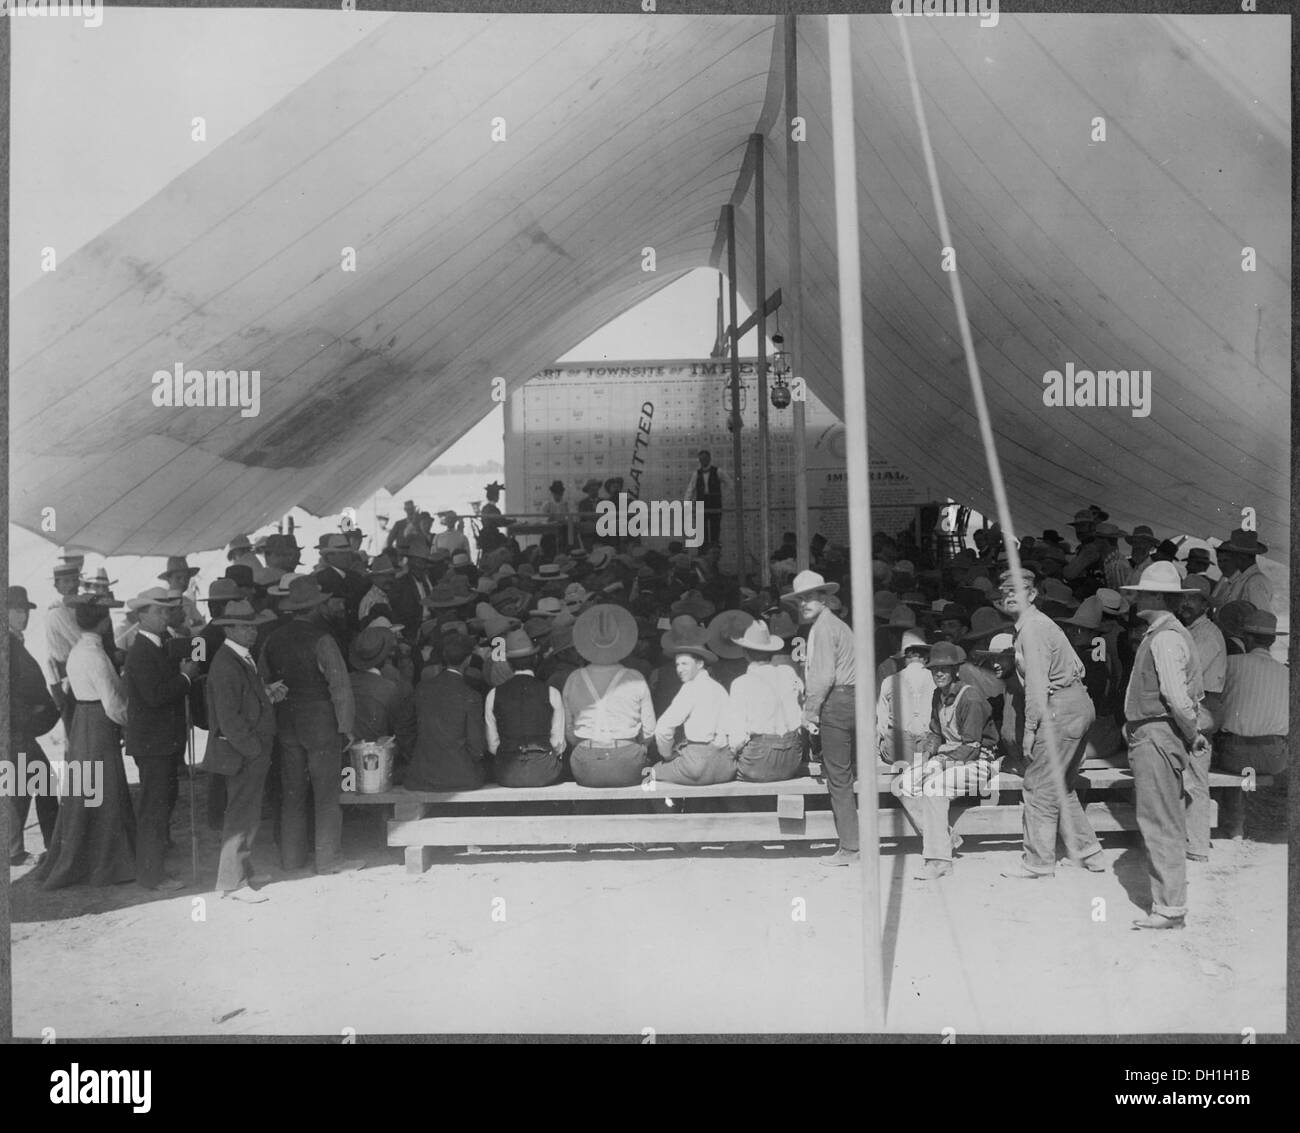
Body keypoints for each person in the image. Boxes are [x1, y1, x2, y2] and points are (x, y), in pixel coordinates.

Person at [996, 568, 1106, 880]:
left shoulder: (1032, 628)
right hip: (1074, 704)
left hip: (1059, 708)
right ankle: (1089, 852)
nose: (1010, 596)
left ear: (1032, 595)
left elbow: (1036, 685)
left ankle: (1038, 862)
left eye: (1017, 590)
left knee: (1038, 785)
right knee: (1060, 785)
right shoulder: (1037, 625)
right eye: (1005, 592)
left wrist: (1030, 730)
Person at [1119, 561, 1205, 929]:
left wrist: (1192, 732)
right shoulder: (1164, 633)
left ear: (1157, 596)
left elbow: (1176, 697)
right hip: (1154, 733)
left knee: (1160, 821)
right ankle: (1169, 904)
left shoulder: (1166, 638)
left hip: (1157, 734)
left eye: (1142, 593)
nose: (1137, 599)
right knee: (1159, 817)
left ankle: (1170, 908)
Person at [259, 576, 363, 875]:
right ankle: (329, 859)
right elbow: (339, 686)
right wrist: (346, 726)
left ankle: (291, 859)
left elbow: (263, 680)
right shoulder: (323, 639)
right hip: (320, 721)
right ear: (316, 607)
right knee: (326, 793)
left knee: (292, 793)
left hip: (286, 720)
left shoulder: (272, 639)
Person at [34, 593, 138, 889]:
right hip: (98, 721)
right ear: (103, 623)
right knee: (104, 788)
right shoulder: (95, 655)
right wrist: (131, 723)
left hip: (83, 719)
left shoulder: (78, 650)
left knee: (86, 789)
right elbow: (113, 703)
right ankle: (107, 861)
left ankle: (89, 856)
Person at [895, 643, 998, 880]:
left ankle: (939, 860)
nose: (939, 673)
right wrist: (928, 753)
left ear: (955, 670)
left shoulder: (970, 697)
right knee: (903, 783)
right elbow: (936, 732)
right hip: (950, 757)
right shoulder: (938, 695)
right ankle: (947, 838)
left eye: (944, 669)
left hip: (979, 762)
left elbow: (972, 747)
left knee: (934, 788)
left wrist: (939, 763)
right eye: (934, 669)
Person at [203, 599, 279, 903]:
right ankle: (232, 883)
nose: (253, 632)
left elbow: (242, 704)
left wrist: (267, 695)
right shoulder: (226, 664)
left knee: (248, 814)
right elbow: (229, 719)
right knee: (239, 816)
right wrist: (253, 749)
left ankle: (244, 871)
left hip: (248, 751)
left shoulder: (240, 658)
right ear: (229, 629)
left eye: (254, 627)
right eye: (246, 627)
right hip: (243, 753)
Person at [123, 588, 199, 892]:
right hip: (153, 744)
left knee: (162, 804)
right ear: (141, 615)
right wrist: (185, 677)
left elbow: (195, 649)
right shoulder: (141, 651)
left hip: (162, 741)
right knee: (153, 809)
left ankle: (154, 866)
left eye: (167, 610)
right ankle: (151, 876)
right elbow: (154, 696)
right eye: (158, 611)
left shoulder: (160, 644)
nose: (165, 616)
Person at [784, 570, 859, 866]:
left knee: (838, 778)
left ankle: (850, 848)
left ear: (825, 598)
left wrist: (809, 712)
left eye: (809, 598)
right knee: (854, 774)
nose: (803, 604)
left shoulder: (823, 628)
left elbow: (823, 676)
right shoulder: (838, 625)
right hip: (854, 699)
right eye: (799, 600)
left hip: (836, 702)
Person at [1213, 610, 1288, 840]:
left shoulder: (1231, 663)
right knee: (1248, 769)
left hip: (1236, 755)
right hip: (1273, 757)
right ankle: (1242, 820)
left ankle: (1234, 822)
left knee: (1226, 751)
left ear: (1247, 638)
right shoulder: (1285, 673)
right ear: (1272, 640)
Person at [563, 605, 656, 787]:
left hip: (586, 764)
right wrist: (638, 745)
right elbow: (649, 731)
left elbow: (569, 731)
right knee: (647, 775)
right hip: (628, 761)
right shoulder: (635, 678)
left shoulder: (574, 678)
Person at [7, 586, 61, 865]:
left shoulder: (15, 641)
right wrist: (29, 716)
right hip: (16, 732)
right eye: (17, 610)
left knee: (25, 786)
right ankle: (47, 847)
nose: (23, 616)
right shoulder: (7, 645)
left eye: (25, 611)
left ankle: (18, 850)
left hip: (19, 731)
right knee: (37, 782)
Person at [1176, 574, 1226, 863]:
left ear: (1206, 605)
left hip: (1202, 708)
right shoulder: (1191, 630)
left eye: (1192, 599)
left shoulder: (1207, 635)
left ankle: (1196, 845)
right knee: (1187, 774)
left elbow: (1187, 674)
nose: (1185, 604)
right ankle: (1187, 839)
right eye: (1182, 598)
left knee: (1195, 777)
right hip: (1193, 706)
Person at [652, 622, 736, 785]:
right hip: (725, 765)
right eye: (677, 664)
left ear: (700, 664)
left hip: (698, 764)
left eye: (685, 664)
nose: (679, 669)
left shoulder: (690, 688)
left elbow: (662, 729)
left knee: (650, 773)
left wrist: (667, 755)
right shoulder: (719, 688)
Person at [405, 633, 489, 790]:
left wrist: (418, 756)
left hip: (422, 776)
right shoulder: (471, 695)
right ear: (468, 659)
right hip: (461, 776)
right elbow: (477, 748)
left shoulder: (422, 688)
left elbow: (406, 729)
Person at [724, 620, 805, 782]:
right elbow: (801, 702)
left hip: (759, 758)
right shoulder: (788, 673)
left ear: (745, 653)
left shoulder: (741, 683)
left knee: (722, 774)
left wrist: (731, 753)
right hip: (792, 758)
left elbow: (737, 738)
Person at [485, 628, 566, 786]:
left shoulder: (493, 694)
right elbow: (558, 743)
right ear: (535, 659)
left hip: (507, 773)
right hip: (544, 771)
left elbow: (493, 745)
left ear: (509, 663)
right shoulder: (552, 692)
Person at [348, 627, 417, 768]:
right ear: (385, 657)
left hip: (349, 756)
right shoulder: (389, 688)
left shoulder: (346, 681)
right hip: (378, 757)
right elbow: (401, 729)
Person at [876, 630, 934, 771]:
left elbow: (881, 724)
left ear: (904, 658)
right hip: (928, 749)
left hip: (899, 751)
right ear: (926, 657)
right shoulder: (936, 680)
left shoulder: (889, 681)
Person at [44, 560, 84, 726]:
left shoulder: (76, 608)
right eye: (66, 581)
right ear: (56, 586)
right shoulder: (57, 612)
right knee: (75, 729)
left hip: (78, 674)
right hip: (66, 679)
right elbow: (82, 641)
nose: (72, 585)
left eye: (75, 580)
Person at [1210, 528, 1273, 616]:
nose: (1232, 558)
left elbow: (1262, 618)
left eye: (1233, 554)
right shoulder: (1243, 580)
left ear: (1242, 556)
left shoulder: (1255, 581)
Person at [684, 449, 726, 547]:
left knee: (715, 529)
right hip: (701, 503)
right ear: (699, 460)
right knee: (701, 531)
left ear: (709, 459)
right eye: (701, 459)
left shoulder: (718, 471)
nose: (703, 461)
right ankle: (702, 553)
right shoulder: (696, 474)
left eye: (705, 459)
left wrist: (723, 496)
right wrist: (686, 504)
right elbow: (690, 489)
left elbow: (730, 484)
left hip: (715, 503)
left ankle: (714, 552)